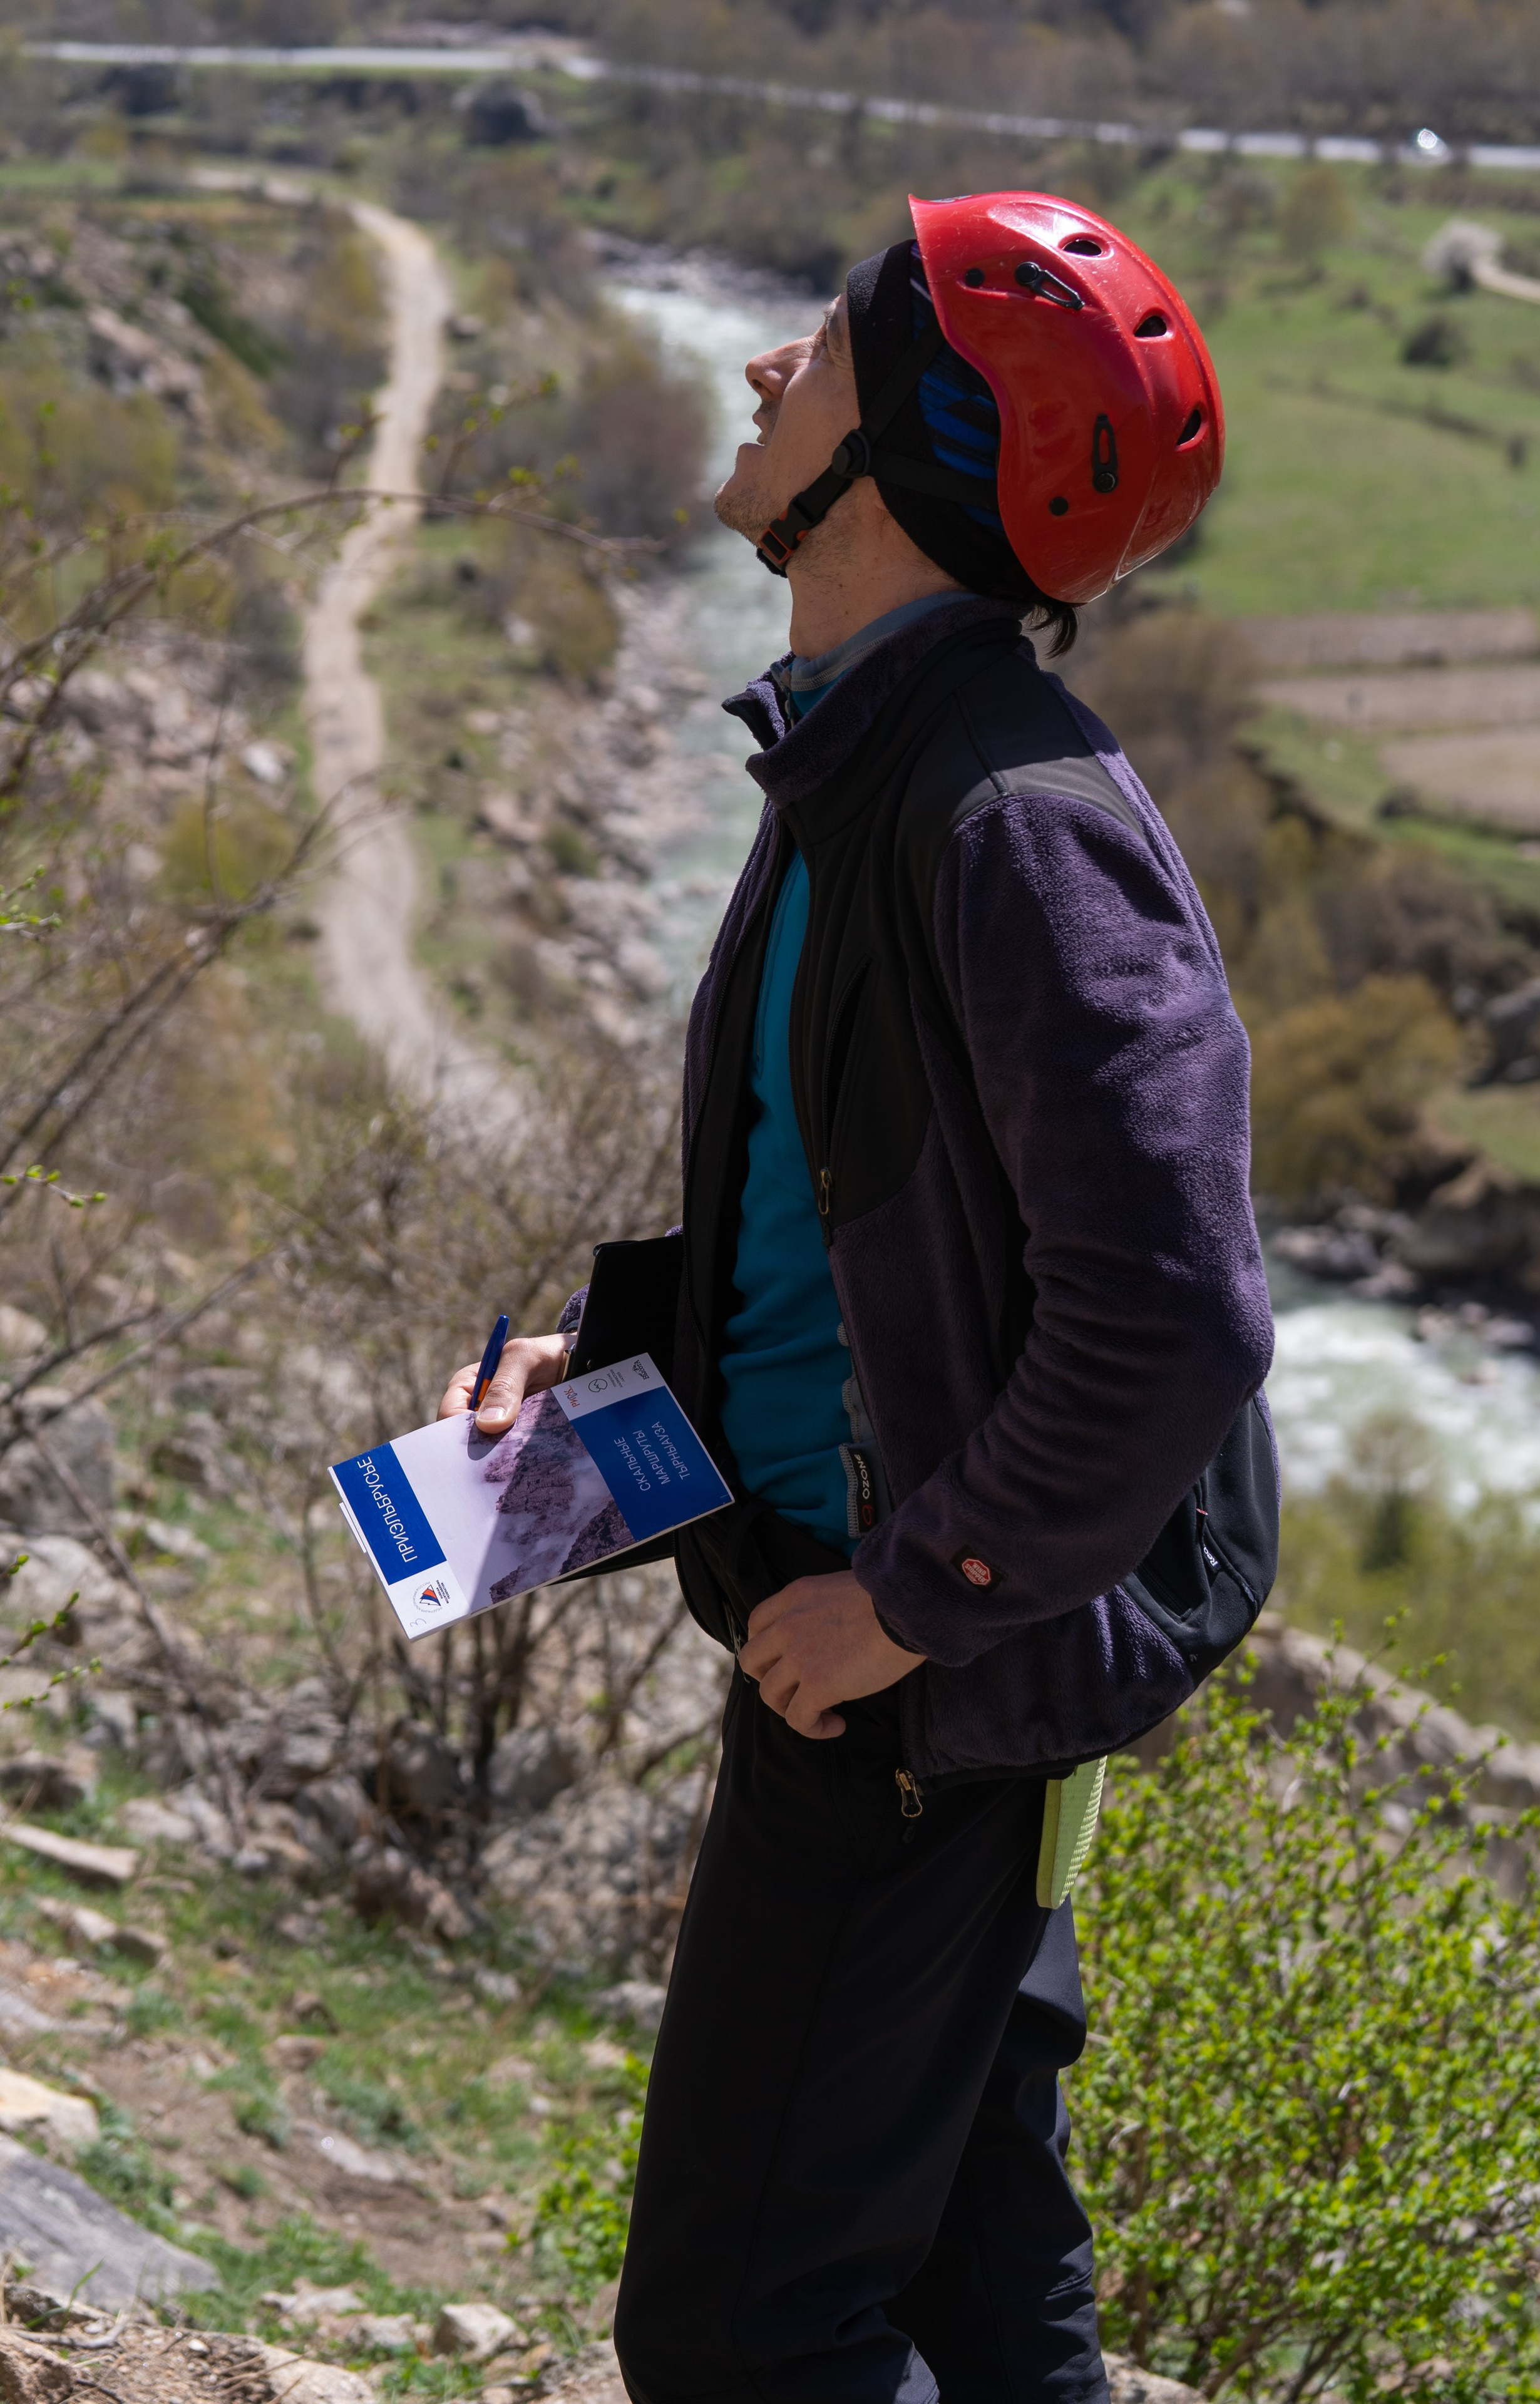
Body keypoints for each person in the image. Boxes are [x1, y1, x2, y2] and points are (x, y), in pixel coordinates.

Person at [439, 192, 1276, 2404]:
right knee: (978, 2302)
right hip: (909, 1662)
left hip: (908, 1690)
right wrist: (604, 1372)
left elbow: (1175, 1318)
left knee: (744, 2329)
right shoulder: (866, 754)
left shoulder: (1011, 821)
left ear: (908, 446)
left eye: (805, 348)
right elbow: (858, 1220)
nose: (754, 373)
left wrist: (916, 1595)